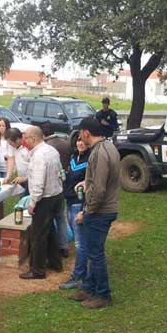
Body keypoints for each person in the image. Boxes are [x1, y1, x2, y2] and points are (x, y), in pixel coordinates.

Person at [68, 117, 120, 309]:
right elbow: (101, 180)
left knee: (95, 254)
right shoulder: (109, 147)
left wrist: (87, 211)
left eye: (80, 132)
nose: (79, 136)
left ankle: (103, 295)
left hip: (100, 210)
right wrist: (86, 182)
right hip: (106, 207)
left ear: (86, 133)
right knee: (92, 251)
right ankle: (89, 288)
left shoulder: (98, 153)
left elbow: (98, 190)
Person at [19, 126, 64, 280]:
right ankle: (55, 262)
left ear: (33, 138)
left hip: (44, 199)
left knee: (38, 235)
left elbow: (38, 183)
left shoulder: (39, 155)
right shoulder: (51, 150)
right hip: (56, 195)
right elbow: (60, 173)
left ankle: (37, 270)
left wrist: (32, 203)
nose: (25, 141)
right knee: (50, 231)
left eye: (26, 138)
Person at [58, 135, 91, 290]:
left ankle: (79, 276)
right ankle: (85, 271)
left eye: (83, 141)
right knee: (80, 240)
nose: (80, 143)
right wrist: (63, 174)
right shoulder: (73, 157)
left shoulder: (90, 159)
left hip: (79, 204)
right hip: (70, 201)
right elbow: (70, 176)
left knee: (79, 242)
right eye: (78, 140)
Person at [40, 121, 71, 257]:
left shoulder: (46, 147)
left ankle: (51, 247)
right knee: (61, 217)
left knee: (48, 218)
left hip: (51, 187)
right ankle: (64, 246)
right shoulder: (65, 143)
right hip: (65, 183)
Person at [3, 127, 31, 195]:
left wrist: (26, 178)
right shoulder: (12, 145)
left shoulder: (29, 146)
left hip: (31, 178)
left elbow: (36, 166)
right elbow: (11, 159)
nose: (10, 145)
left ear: (18, 139)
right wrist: (8, 176)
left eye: (11, 143)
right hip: (21, 177)